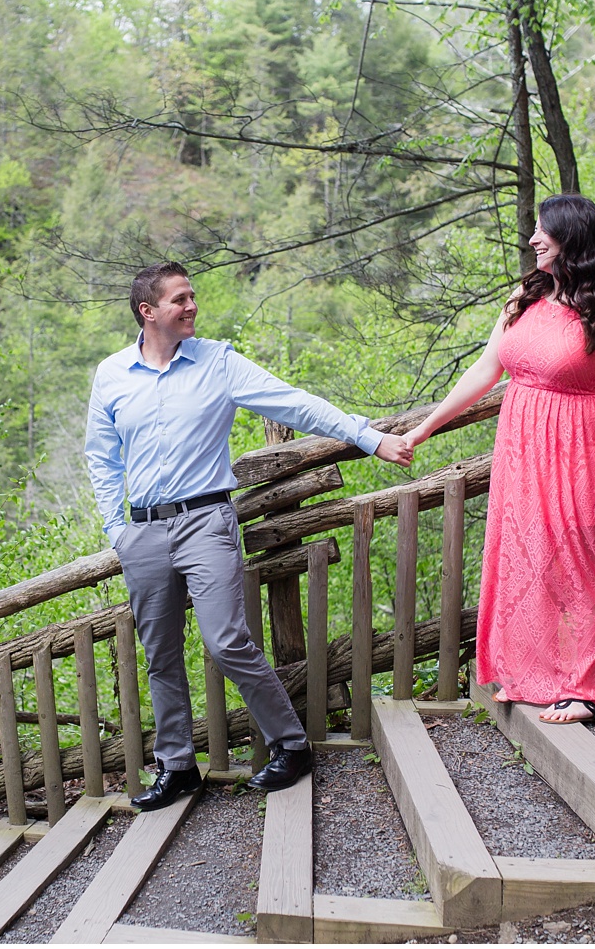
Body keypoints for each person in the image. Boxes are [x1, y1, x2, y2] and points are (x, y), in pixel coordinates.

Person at [86, 261, 414, 810]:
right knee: (160, 654)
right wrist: (116, 529)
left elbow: (293, 401)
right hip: (142, 531)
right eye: (179, 300)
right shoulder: (112, 374)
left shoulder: (218, 362)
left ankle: (290, 745)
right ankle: (177, 766)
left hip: (205, 522)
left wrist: (366, 438)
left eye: (192, 297)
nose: (192, 306)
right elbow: (101, 456)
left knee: (225, 640)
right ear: (148, 312)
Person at [402, 194, 595, 724]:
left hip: (583, 443)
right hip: (521, 442)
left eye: (545, 232)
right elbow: (485, 370)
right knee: (524, 553)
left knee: (577, 561)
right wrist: (422, 429)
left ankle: (584, 688)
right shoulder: (527, 295)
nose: (534, 239)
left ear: (573, 238)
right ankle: (530, 673)